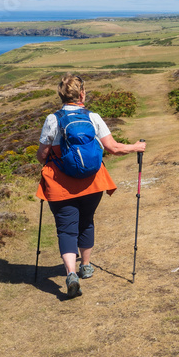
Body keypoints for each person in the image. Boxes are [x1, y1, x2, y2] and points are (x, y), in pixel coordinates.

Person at [36, 73, 147, 298]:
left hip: (60, 185)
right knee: (86, 222)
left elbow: (42, 155)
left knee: (66, 229)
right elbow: (113, 148)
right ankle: (85, 266)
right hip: (93, 182)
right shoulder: (93, 117)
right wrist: (136, 147)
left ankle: (71, 274)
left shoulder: (52, 119)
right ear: (82, 94)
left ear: (61, 95)